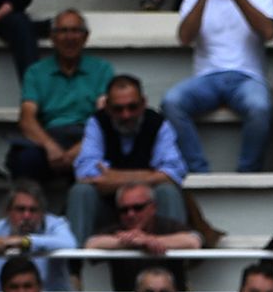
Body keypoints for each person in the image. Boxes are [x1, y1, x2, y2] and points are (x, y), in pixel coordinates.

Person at [165, 0, 273, 174]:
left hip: (247, 77)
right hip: (207, 77)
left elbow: (269, 32)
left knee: (260, 107)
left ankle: (248, 174)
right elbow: (185, 38)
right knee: (171, 102)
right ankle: (198, 170)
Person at [67, 72, 189, 248]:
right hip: (108, 208)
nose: (126, 115)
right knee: (81, 191)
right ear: (107, 107)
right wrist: (151, 174)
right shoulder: (97, 123)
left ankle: (172, 266)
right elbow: (87, 173)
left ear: (144, 103)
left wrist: (113, 178)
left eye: (132, 107)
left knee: (168, 191)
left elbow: (174, 172)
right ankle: (74, 269)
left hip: (149, 210)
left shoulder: (157, 124)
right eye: (118, 109)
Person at [8, 9, 112, 187]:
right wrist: (50, 146)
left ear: (86, 37)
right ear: (52, 37)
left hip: (86, 136)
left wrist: (80, 148)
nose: (69, 37)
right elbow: (26, 119)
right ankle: (31, 213)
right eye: (62, 31)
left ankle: (71, 214)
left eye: (75, 31)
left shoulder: (102, 70)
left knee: (96, 162)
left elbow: (107, 119)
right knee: (23, 160)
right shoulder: (36, 72)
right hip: (49, 136)